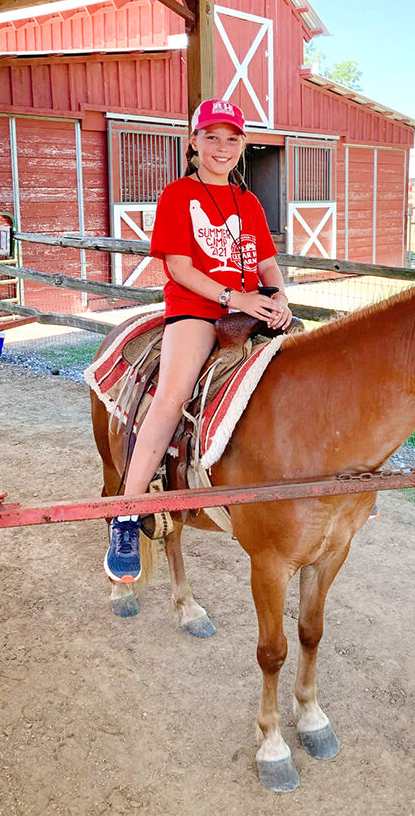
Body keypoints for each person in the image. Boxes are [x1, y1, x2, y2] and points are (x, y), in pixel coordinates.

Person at [104, 99, 293, 583]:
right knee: (170, 399)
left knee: (309, 374)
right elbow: (179, 268)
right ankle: (126, 514)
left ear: (243, 145)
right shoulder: (177, 195)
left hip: (251, 304)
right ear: (193, 142)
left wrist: (279, 297)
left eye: (232, 139)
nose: (222, 148)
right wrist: (237, 298)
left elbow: (267, 261)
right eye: (212, 137)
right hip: (197, 308)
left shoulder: (248, 202)